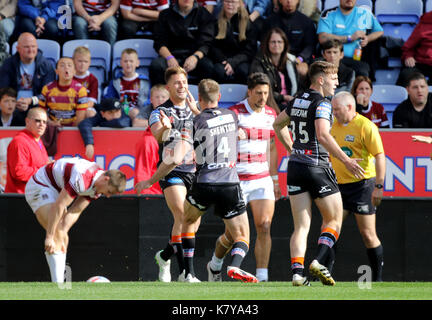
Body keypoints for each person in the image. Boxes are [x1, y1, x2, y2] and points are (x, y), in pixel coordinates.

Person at [136, 78, 259, 283]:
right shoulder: (232, 115)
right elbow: (239, 133)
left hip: (202, 182)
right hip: (229, 182)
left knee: (186, 221)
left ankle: (179, 265)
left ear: (198, 98)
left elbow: (175, 158)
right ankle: (230, 267)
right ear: (220, 97)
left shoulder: (194, 123)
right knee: (242, 236)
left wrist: (151, 181)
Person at [272, 61, 364, 286]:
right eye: (333, 79)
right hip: (317, 166)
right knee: (334, 219)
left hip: (295, 167)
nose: (337, 83)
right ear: (320, 79)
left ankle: (296, 273)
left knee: (301, 226)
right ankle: (319, 261)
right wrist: (346, 160)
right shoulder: (323, 103)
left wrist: (292, 149)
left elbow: (277, 124)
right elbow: (322, 135)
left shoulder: (297, 99)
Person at [204, 72, 279, 282]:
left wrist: (274, 179)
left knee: (264, 225)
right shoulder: (234, 113)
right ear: (249, 91)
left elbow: (271, 147)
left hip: (261, 178)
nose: (263, 97)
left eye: (266, 93)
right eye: (258, 93)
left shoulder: (271, 115)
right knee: (232, 235)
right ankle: (215, 264)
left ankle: (262, 276)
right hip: (236, 180)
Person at [135, 66, 200, 282]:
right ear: (168, 87)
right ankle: (186, 273)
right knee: (182, 215)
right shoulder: (160, 112)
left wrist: (199, 113)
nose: (182, 86)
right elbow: (158, 136)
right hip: (172, 170)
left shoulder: (195, 108)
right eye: (177, 83)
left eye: (184, 82)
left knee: (191, 223)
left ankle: (164, 256)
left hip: (195, 170)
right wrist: (164, 129)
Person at [24, 157, 126, 282]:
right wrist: (49, 236)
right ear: (106, 179)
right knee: (55, 234)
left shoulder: (98, 187)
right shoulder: (82, 178)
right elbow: (60, 205)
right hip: (40, 185)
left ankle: (59, 284)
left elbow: (76, 210)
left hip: (56, 190)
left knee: (62, 236)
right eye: (109, 191)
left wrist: (63, 231)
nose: (108, 195)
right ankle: (58, 288)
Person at [330, 91, 385, 282]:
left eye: (337, 109)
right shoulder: (332, 127)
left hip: (362, 186)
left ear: (350, 107)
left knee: (368, 234)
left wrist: (379, 185)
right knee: (330, 229)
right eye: (333, 109)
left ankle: (377, 279)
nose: (334, 113)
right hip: (339, 186)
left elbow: (380, 156)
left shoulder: (366, 126)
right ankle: (325, 274)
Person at [149, 0, 216, 85]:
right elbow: (159, 42)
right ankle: (162, 96)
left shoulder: (204, 14)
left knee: (208, 66)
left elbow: (206, 44)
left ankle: (200, 96)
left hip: (194, 56)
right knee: (157, 65)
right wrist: (169, 58)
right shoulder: (165, 14)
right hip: (171, 55)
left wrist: (195, 57)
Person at [317, 0, 383, 80]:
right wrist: (349, 38)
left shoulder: (364, 14)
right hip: (332, 58)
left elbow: (379, 31)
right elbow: (322, 37)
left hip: (356, 60)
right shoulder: (329, 14)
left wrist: (368, 38)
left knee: (363, 70)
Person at [0, 32, 56, 114]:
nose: (30, 50)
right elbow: (3, 89)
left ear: (37, 47)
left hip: (37, 104)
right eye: (26, 47)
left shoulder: (46, 65)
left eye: (33, 46)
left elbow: (48, 93)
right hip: (13, 104)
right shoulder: (8, 64)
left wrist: (30, 100)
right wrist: (14, 102)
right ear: (18, 48)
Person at [262, 0, 316, 81]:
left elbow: (310, 46)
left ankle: (298, 93)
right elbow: (264, 44)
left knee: (302, 70)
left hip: (297, 59)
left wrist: (300, 59)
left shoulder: (306, 22)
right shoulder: (270, 21)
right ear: (280, 1)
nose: (289, 1)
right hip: (275, 57)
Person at [250, 28, 299, 112]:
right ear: (267, 44)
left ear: (285, 44)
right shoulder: (259, 62)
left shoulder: (290, 62)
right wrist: (283, 97)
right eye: (273, 42)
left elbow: (299, 87)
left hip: (290, 104)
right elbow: (259, 88)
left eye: (279, 42)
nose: (276, 44)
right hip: (269, 104)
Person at [209, 0, 257, 85]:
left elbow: (250, 50)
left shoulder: (247, 23)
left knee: (243, 71)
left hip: (241, 60)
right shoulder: (216, 21)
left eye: (233, 2)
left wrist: (233, 62)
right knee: (218, 71)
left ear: (240, 4)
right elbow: (213, 46)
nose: (230, 5)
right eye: (227, 1)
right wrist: (225, 61)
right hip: (222, 60)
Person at [134, 85, 170, 196]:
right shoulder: (147, 142)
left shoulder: (178, 135)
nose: (160, 100)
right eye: (157, 97)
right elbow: (142, 171)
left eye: (163, 97)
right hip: (155, 196)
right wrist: (146, 196)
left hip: (173, 192)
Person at [5, 107, 49, 193]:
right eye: (37, 121)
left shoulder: (38, 141)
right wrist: (45, 170)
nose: (41, 124)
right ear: (27, 121)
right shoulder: (19, 142)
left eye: (44, 122)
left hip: (35, 197)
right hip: (20, 198)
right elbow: (19, 172)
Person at [39, 57, 88, 127]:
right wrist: (50, 123)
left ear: (74, 71)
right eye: (62, 65)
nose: (66, 68)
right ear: (56, 71)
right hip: (52, 126)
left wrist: (70, 131)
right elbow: (42, 111)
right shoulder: (47, 89)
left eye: (69, 65)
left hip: (73, 128)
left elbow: (80, 117)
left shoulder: (80, 90)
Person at [103, 48, 150, 121]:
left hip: (140, 112)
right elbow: (110, 99)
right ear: (121, 63)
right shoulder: (115, 82)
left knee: (135, 113)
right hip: (120, 112)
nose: (128, 64)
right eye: (125, 61)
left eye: (131, 61)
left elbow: (149, 100)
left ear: (137, 63)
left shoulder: (144, 81)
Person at [397, 11, 432, 87]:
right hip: (422, 63)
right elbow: (409, 46)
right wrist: (408, 56)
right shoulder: (425, 23)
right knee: (406, 75)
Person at [72, 46, 99, 118]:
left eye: (85, 61)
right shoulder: (68, 76)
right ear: (73, 61)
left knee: (91, 114)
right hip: (69, 107)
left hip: (86, 107)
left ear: (89, 63)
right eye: (80, 61)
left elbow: (91, 102)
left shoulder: (93, 79)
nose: (82, 64)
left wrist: (79, 108)